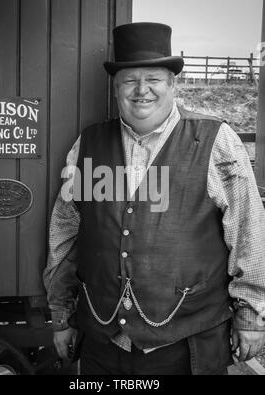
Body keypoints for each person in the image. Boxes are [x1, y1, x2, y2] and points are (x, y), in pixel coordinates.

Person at [43, 22, 265, 375]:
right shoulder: (88, 145)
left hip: (187, 343)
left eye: (154, 79)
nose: (141, 90)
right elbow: (66, 234)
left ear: (173, 84)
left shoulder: (216, 141)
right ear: (116, 89)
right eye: (130, 80)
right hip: (103, 340)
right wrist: (61, 314)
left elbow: (249, 233)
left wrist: (251, 316)